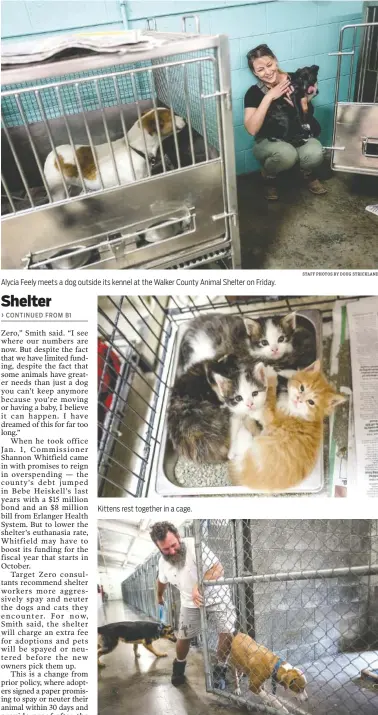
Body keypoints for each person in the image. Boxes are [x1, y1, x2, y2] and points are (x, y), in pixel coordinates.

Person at [150, 521, 236, 688]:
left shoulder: (194, 545)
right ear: (159, 547)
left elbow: (218, 569)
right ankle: (179, 665)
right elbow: (161, 581)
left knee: (226, 632)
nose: (172, 551)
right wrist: (159, 596)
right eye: (166, 549)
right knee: (183, 636)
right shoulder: (163, 562)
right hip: (189, 601)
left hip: (217, 595)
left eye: (174, 545)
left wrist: (200, 584)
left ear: (178, 537)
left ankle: (220, 668)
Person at [244, 43, 327, 200]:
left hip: (297, 136)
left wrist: (303, 102)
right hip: (268, 142)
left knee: (316, 153)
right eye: (260, 70)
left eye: (269, 65)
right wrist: (269, 97)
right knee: (286, 154)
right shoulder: (253, 93)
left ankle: (306, 173)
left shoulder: (296, 79)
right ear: (255, 73)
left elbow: (307, 116)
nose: (268, 72)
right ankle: (269, 177)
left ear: (275, 60)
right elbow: (252, 129)